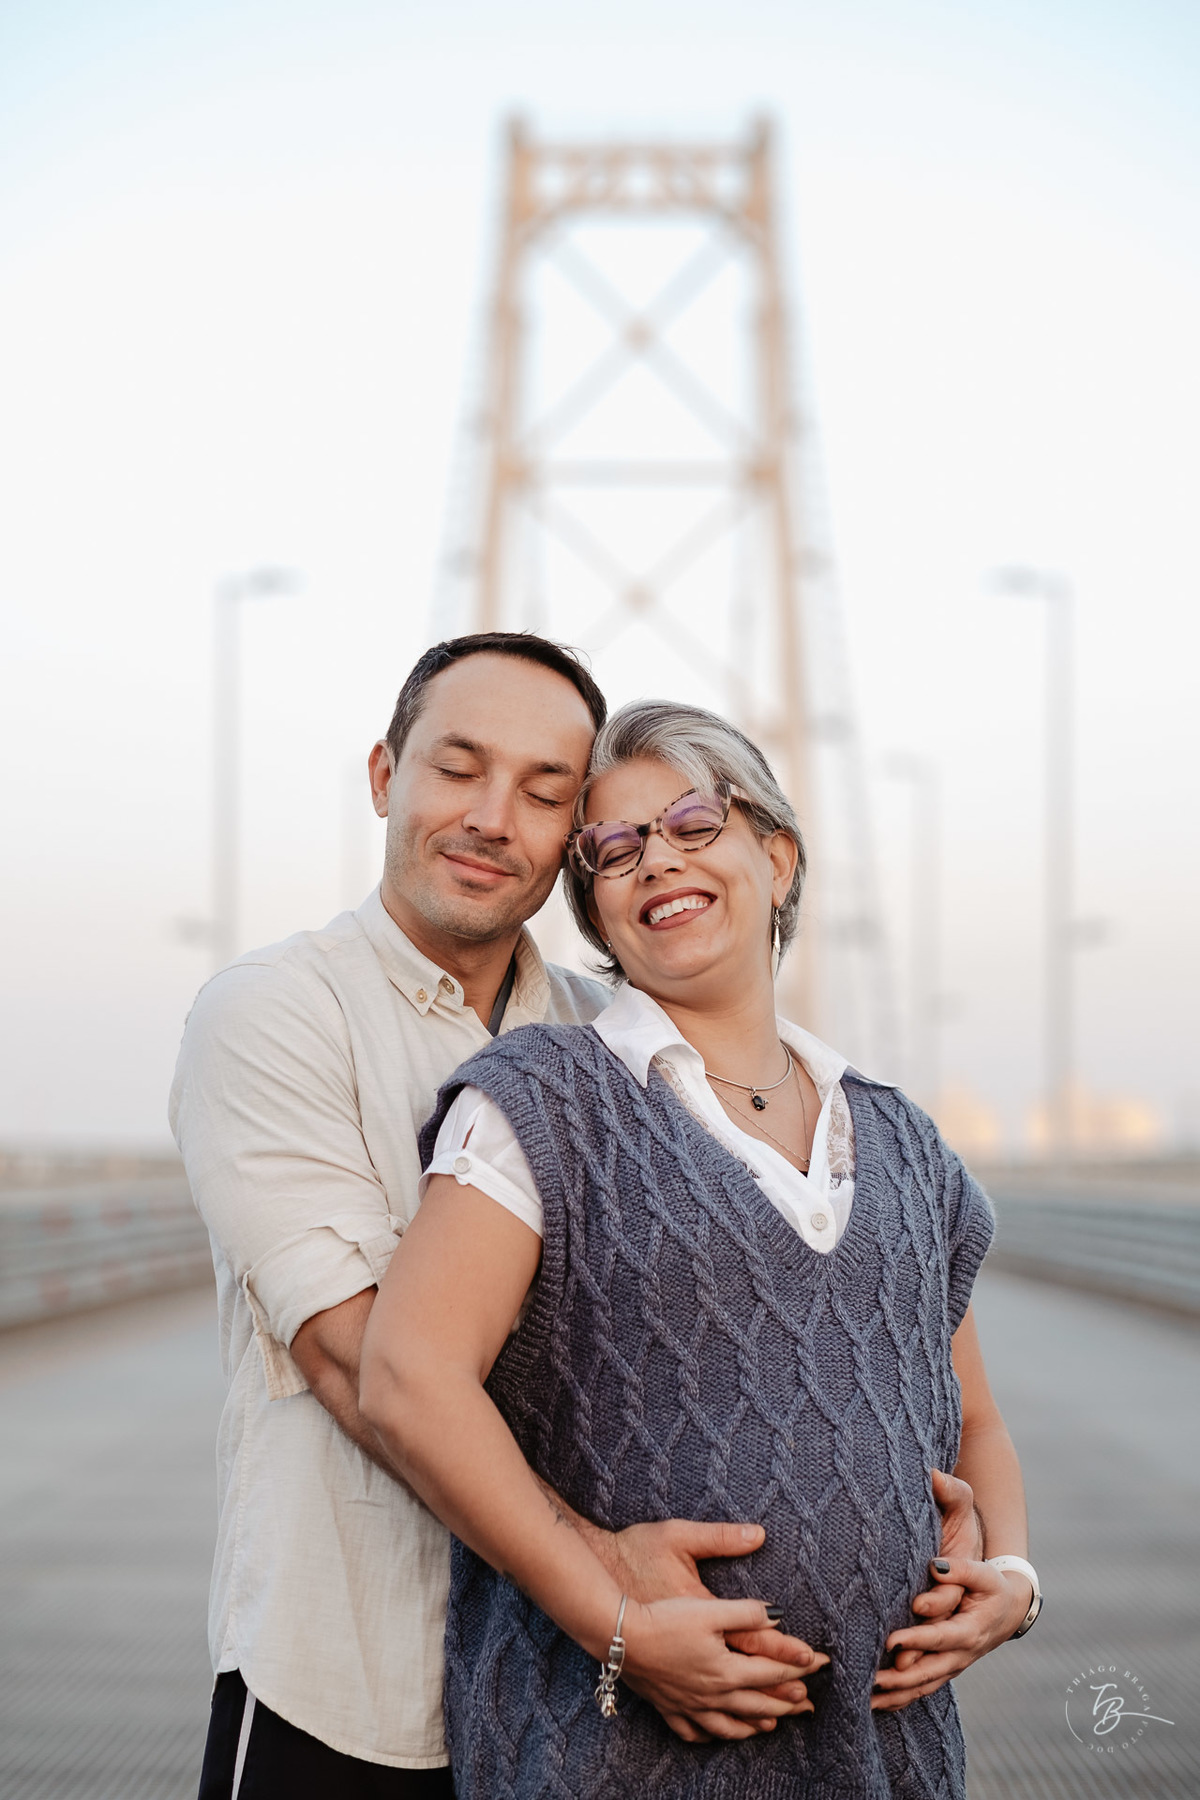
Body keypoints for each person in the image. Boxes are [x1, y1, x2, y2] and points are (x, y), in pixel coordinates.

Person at [171, 637, 824, 1800]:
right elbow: (356, 1357)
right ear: (384, 776)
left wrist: (935, 1503)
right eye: (457, 769)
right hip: (355, 1698)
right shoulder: (275, 1014)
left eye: (544, 792)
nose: (491, 818)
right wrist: (606, 1582)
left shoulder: (611, 1037)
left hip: (575, 1721)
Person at [359, 699, 1041, 1800]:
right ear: (599, 911)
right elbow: (406, 1378)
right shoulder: (545, 1100)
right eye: (614, 851)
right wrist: (618, 1623)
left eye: (690, 823)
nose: (653, 862)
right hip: (610, 1756)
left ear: (775, 854)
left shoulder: (903, 1140)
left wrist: (1011, 1570)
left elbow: (978, 1420)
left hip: (889, 1760)